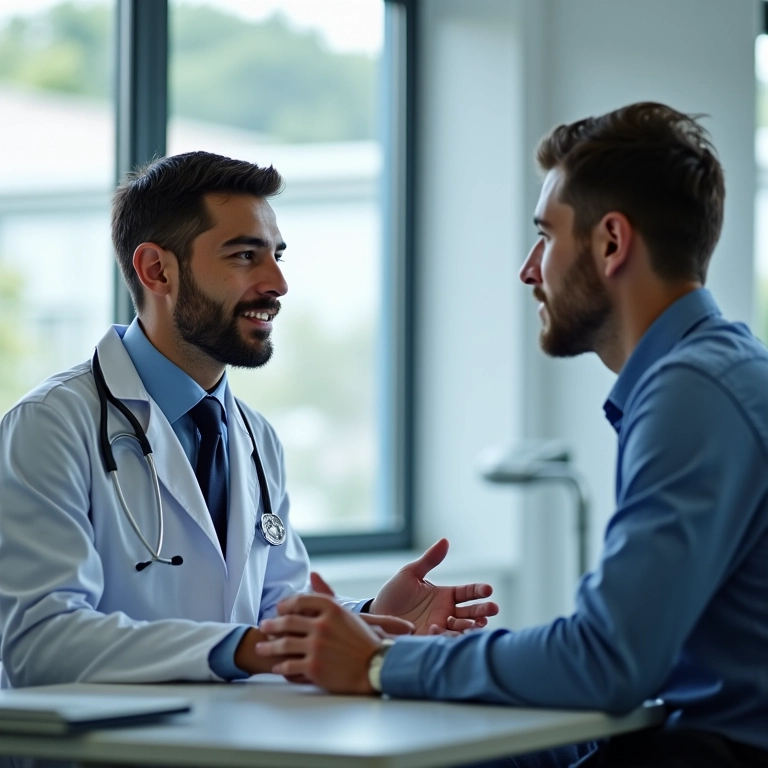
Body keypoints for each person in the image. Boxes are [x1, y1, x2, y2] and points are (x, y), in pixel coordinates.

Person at [253, 103, 768, 767]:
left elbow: (608, 662)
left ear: (612, 243)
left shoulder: (691, 393)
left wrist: (384, 663)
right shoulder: (723, 369)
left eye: (546, 237)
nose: (530, 270)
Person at [0, 151, 498, 688]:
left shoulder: (255, 436)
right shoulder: (49, 428)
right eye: (244, 256)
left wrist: (373, 615)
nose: (277, 282)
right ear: (156, 270)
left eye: (277, 255)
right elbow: (40, 641)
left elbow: (272, 613)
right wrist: (242, 647)